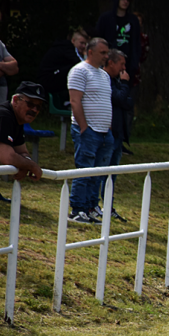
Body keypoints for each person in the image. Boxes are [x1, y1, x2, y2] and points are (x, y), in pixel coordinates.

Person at [67, 37, 114, 224]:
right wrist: (84, 128)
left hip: (104, 132)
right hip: (88, 131)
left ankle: (91, 207)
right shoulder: (79, 71)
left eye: (107, 52)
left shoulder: (104, 75)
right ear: (90, 52)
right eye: (103, 52)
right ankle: (77, 209)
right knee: (84, 170)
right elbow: (75, 101)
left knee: (99, 173)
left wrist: (108, 127)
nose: (106, 56)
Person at [100, 49, 132, 222]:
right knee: (104, 171)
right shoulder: (106, 81)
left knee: (113, 173)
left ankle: (108, 206)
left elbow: (128, 102)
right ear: (111, 62)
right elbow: (120, 99)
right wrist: (125, 85)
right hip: (108, 133)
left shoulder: (117, 82)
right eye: (121, 63)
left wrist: (124, 89)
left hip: (119, 134)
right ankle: (96, 205)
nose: (124, 68)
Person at [0, 82, 45, 186]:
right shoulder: (4, 116)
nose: (34, 110)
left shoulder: (17, 119)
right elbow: (7, 157)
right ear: (15, 100)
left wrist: (25, 164)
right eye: (30, 104)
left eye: (38, 107)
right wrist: (31, 166)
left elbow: (22, 152)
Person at [95, 0, 141, 83]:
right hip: (108, 61)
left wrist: (135, 63)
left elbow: (136, 42)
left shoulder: (133, 20)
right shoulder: (106, 18)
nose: (125, 2)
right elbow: (98, 39)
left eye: (128, 0)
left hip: (128, 63)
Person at [37, 29, 89, 101]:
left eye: (85, 44)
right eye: (82, 43)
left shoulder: (74, 50)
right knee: (76, 69)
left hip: (56, 78)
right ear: (73, 40)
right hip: (48, 79)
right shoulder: (66, 48)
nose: (84, 46)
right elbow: (81, 64)